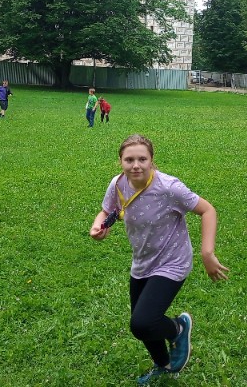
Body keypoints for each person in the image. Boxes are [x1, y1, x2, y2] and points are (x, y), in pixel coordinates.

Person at [90, 134, 229, 385]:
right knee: (143, 326)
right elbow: (107, 210)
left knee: (143, 322)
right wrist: (99, 225)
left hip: (172, 261)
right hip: (143, 261)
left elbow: (207, 210)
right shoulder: (118, 184)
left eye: (142, 159)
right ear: (120, 161)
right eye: (129, 160)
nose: (136, 165)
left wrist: (207, 253)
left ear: (152, 160)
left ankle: (178, 328)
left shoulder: (168, 187)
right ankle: (164, 365)